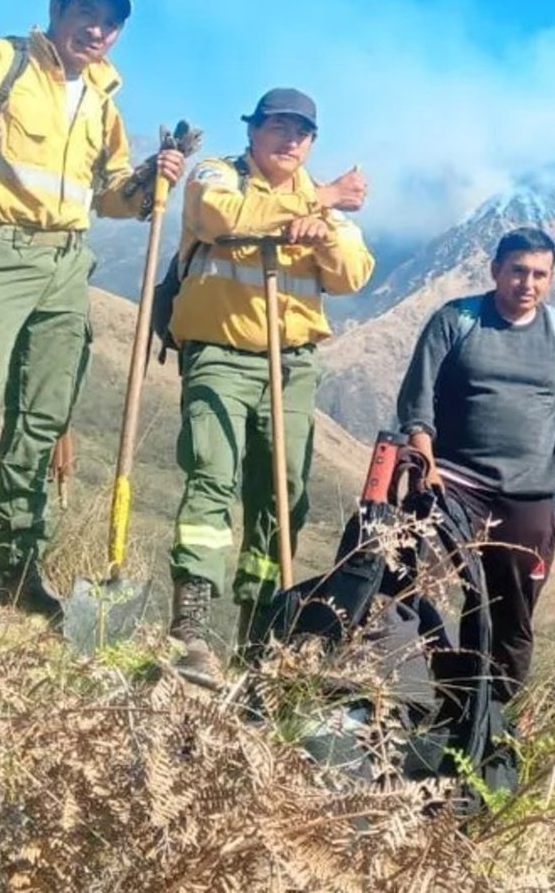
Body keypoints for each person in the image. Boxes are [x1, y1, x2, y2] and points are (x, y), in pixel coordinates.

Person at [0, 0, 183, 620]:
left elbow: (108, 194)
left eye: (111, 23)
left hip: (65, 264)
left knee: (43, 421)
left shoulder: (105, 99)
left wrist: (148, 182)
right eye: (88, 14)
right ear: (57, 10)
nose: (98, 31)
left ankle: (16, 568)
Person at [165, 88, 373, 687]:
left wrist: (323, 227)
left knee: (283, 493)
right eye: (278, 127)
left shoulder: (321, 207)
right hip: (221, 355)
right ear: (253, 130)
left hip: (291, 365)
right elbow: (219, 218)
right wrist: (319, 197)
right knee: (212, 474)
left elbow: (354, 272)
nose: (290, 141)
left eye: (302, 133)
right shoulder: (217, 173)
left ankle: (257, 631)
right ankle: (192, 627)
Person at [395, 226, 555, 711]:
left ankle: (493, 718)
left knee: (512, 612)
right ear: (496, 272)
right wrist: (425, 458)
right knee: (420, 591)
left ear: (552, 278)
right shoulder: (457, 320)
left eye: (539, 274)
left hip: (529, 495)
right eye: (518, 271)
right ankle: (428, 701)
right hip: (455, 483)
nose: (528, 283)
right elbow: (416, 398)